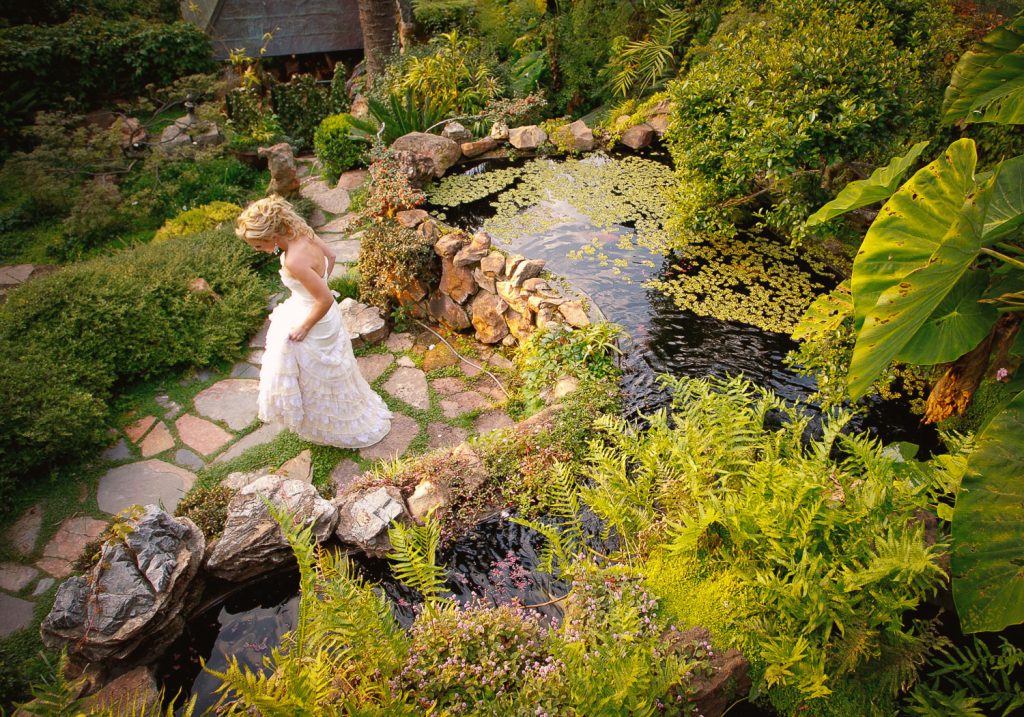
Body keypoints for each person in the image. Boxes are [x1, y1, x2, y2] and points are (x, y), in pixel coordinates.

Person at [235, 195, 391, 447]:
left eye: (258, 245)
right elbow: (331, 256)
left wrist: (304, 326)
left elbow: (326, 300)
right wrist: (319, 283)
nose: (259, 250)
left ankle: (334, 426)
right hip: (319, 312)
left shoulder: (295, 260)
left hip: (316, 317)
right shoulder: (303, 233)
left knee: (309, 368)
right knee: (326, 371)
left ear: (271, 235)